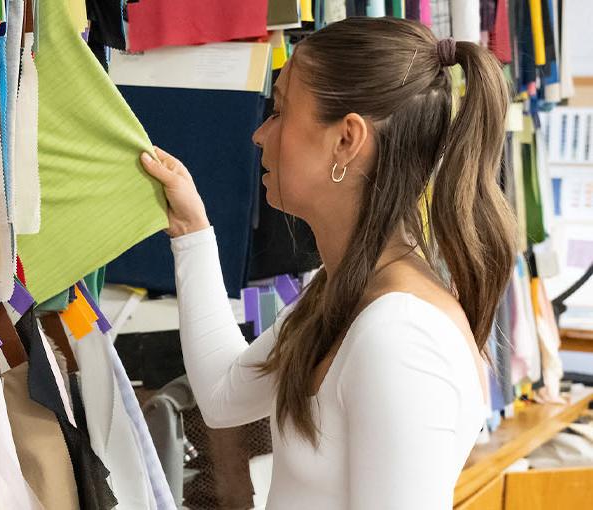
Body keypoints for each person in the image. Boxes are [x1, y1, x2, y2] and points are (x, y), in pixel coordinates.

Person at [138, 18, 515, 509]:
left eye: (279, 112)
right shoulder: (342, 293)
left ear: (346, 139)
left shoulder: (400, 336)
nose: (259, 134)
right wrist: (193, 232)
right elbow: (225, 395)